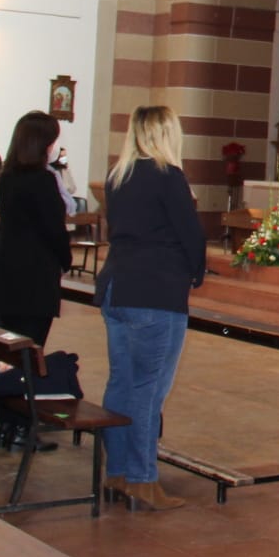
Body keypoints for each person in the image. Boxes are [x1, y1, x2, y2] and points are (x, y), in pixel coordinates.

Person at [97, 105, 206, 512]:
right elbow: (190, 235)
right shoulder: (168, 176)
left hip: (117, 287)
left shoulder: (118, 175)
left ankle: (118, 472)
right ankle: (143, 479)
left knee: (121, 382)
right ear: (166, 134)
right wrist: (196, 273)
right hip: (155, 292)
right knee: (147, 389)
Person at [0, 111, 71, 450]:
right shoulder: (41, 180)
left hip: (7, 272)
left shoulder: (7, 176)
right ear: (43, 143)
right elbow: (54, 229)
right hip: (35, 276)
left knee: (7, 353)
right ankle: (22, 428)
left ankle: (6, 424)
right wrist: (65, 260)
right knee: (29, 354)